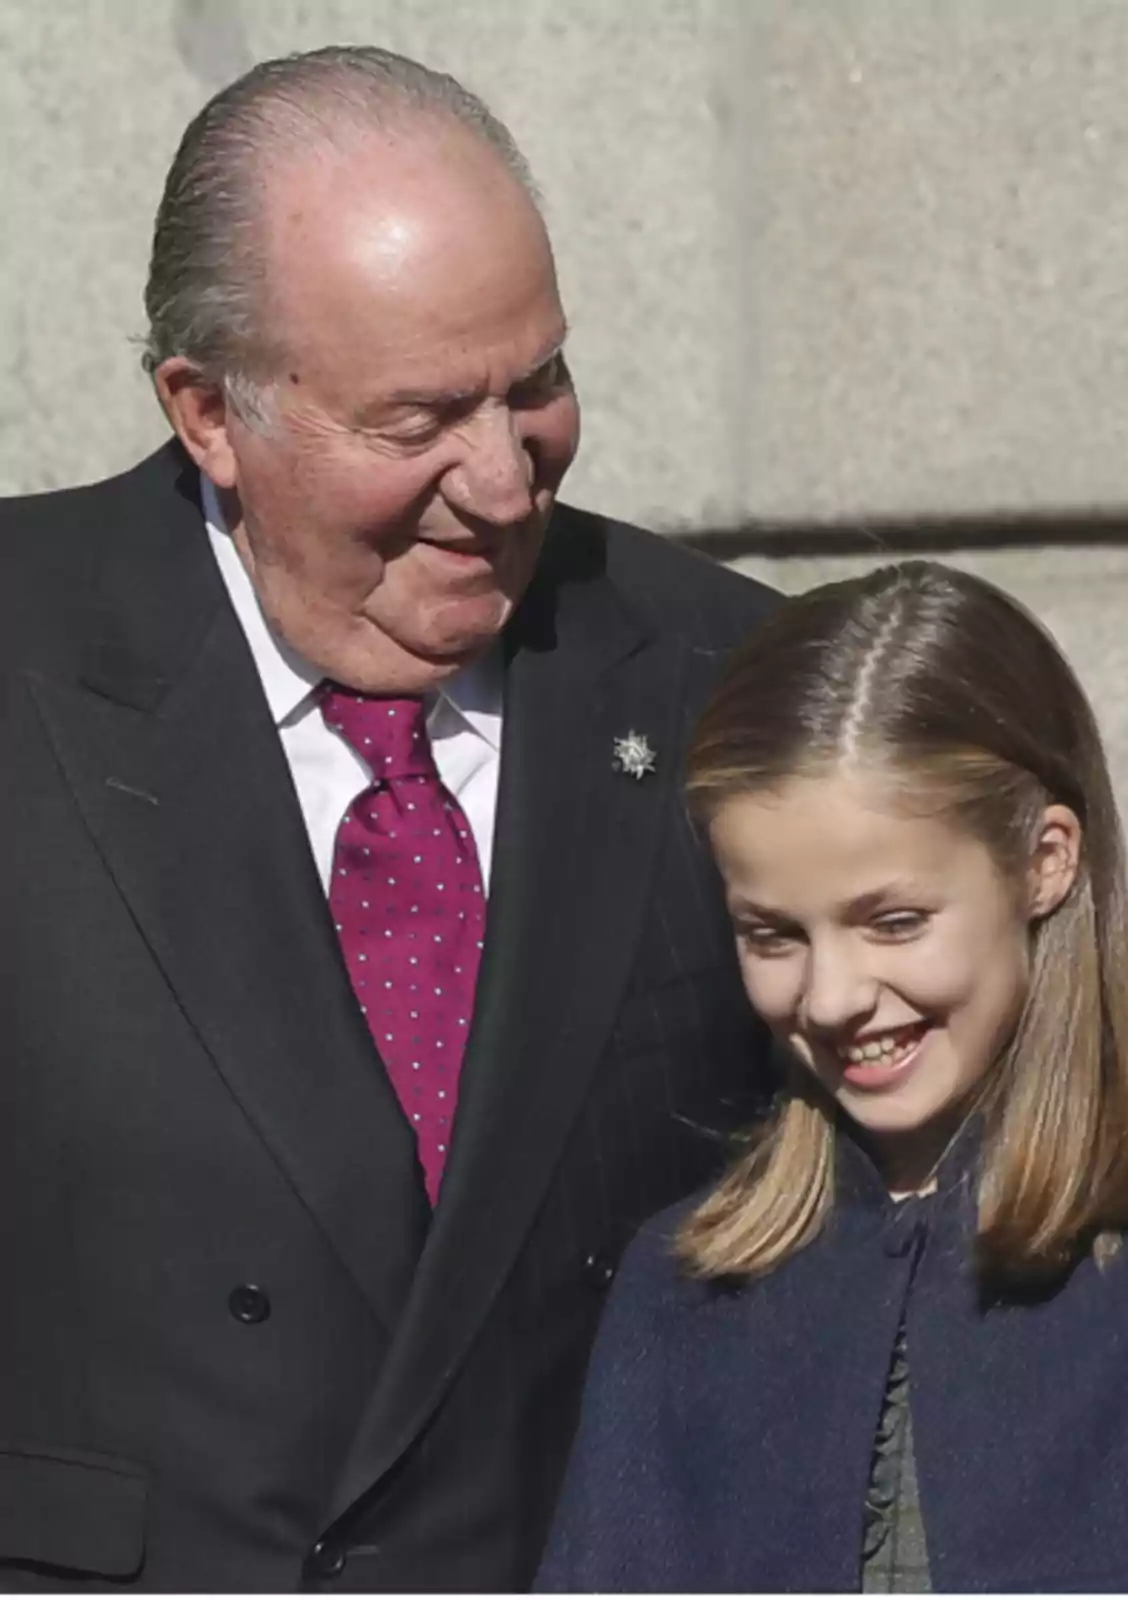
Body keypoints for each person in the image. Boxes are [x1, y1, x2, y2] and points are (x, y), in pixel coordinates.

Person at [0, 46, 779, 1591]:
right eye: (418, 417)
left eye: (537, 384)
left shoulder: (730, 680)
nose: (501, 482)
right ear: (209, 413)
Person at [538, 558, 1128, 1594]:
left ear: (1046, 860)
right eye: (773, 934)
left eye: (895, 921)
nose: (836, 995)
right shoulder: (687, 1288)